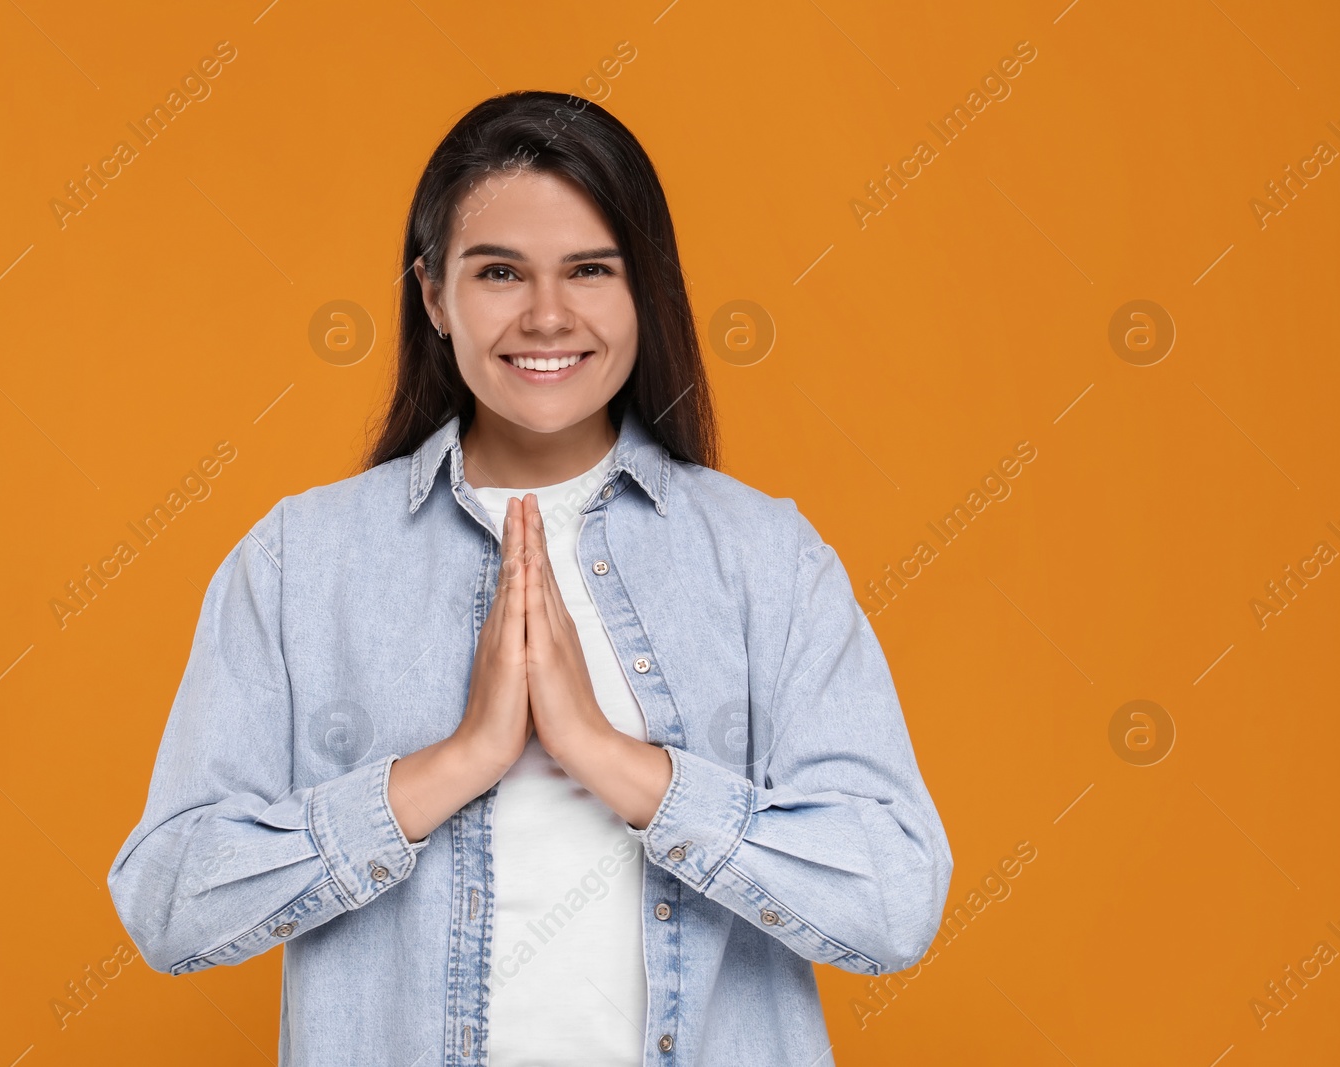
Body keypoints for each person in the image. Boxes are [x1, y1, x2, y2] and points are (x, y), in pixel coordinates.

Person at [108, 89, 952, 1066]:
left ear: (646, 289)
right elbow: (168, 898)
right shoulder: (303, 560)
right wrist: (453, 764)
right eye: (499, 271)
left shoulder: (765, 558)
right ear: (434, 295)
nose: (547, 315)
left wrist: (612, 757)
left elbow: (893, 899)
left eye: (590, 269)